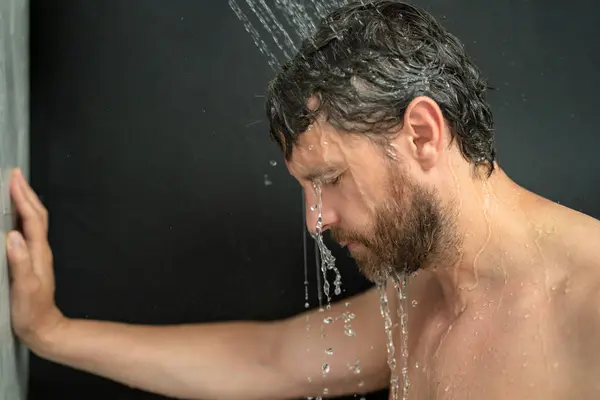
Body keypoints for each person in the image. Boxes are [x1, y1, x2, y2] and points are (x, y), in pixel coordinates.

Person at [6, 1, 600, 399]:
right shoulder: (426, 298)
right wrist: (51, 332)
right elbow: (269, 358)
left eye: (331, 179)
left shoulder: (589, 301)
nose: (316, 220)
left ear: (422, 134)